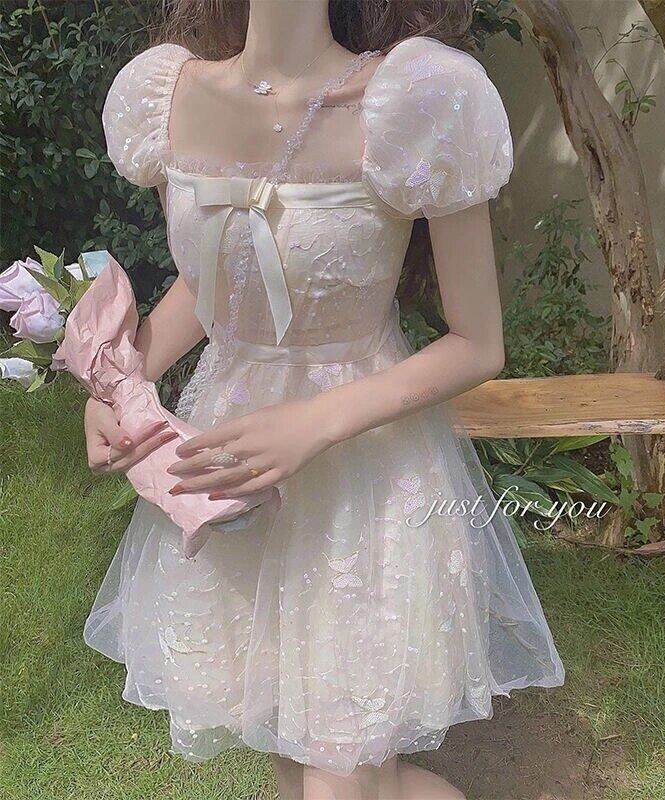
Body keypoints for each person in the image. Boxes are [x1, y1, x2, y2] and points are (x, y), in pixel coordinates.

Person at [82, 1, 564, 797]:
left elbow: (479, 343)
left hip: (363, 476)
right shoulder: (170, 96)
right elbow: (212, 286)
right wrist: (117, 382)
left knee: (341, 771)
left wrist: (314, 423)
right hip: (232, 471)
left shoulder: (417, 100)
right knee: (289, 740)